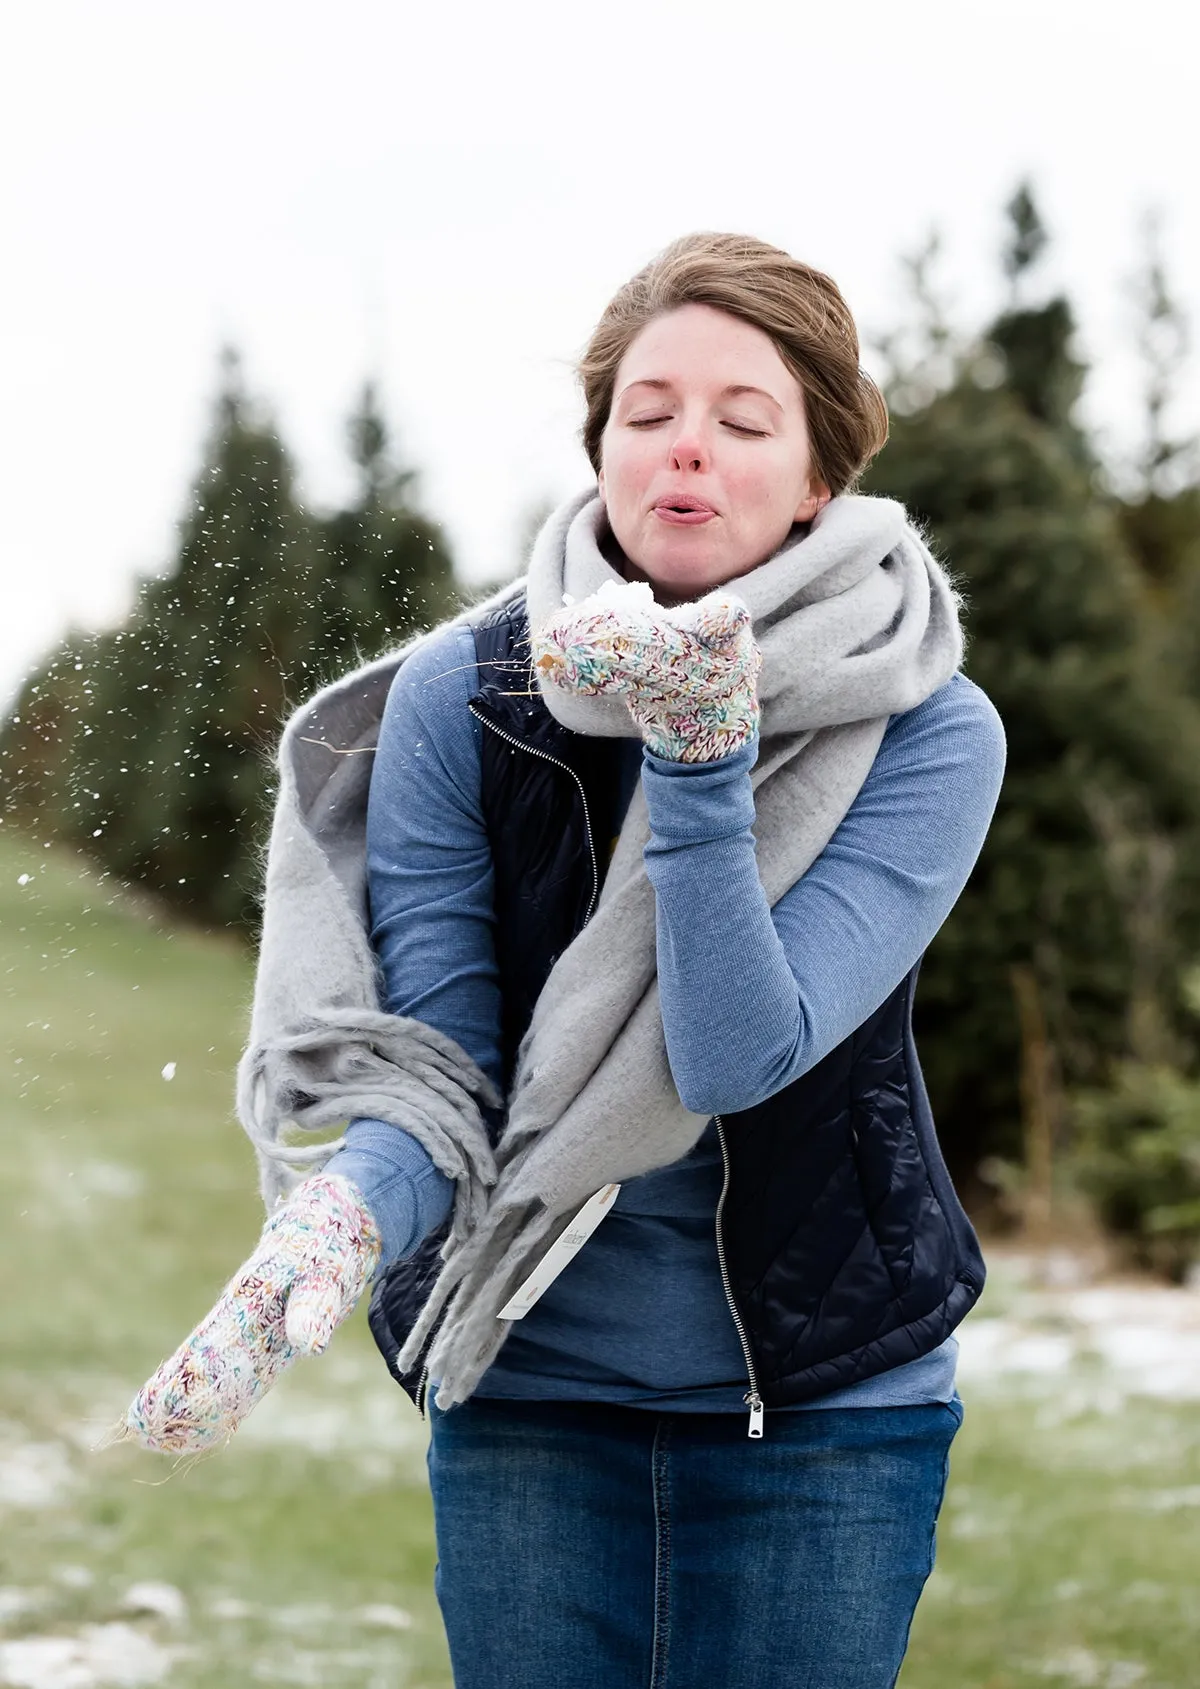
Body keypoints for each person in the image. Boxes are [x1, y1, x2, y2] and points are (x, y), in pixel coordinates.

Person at [120, 232, 1006, 1688]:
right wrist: (331, 1233)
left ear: (822, 476)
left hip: (822, 1414)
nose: (687, 451)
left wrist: (705, 756)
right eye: (646, 412)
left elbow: (735, 1054)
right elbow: (446, 1071)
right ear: (600, 445)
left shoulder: (920, 723)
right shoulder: (460, 703)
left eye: (743, 420)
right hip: (531, 1393)